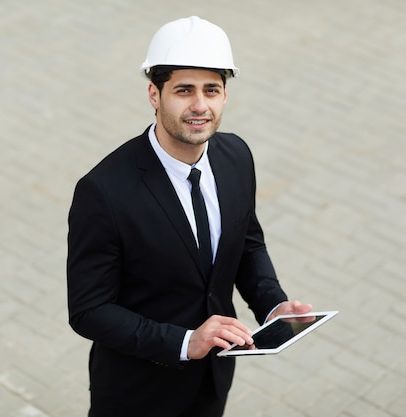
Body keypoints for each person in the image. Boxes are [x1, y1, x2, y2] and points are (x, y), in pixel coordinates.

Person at [67, 16, 313, 417]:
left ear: (225, 96)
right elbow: (88, 309)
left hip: (214, 377)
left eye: (211, 90)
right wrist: (184, 342)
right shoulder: (103, 192)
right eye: (184, 90)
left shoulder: (236, 157)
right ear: (154, 94)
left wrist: (272, 307)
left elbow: (247, 243)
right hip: (138, 391)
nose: (200, 106)